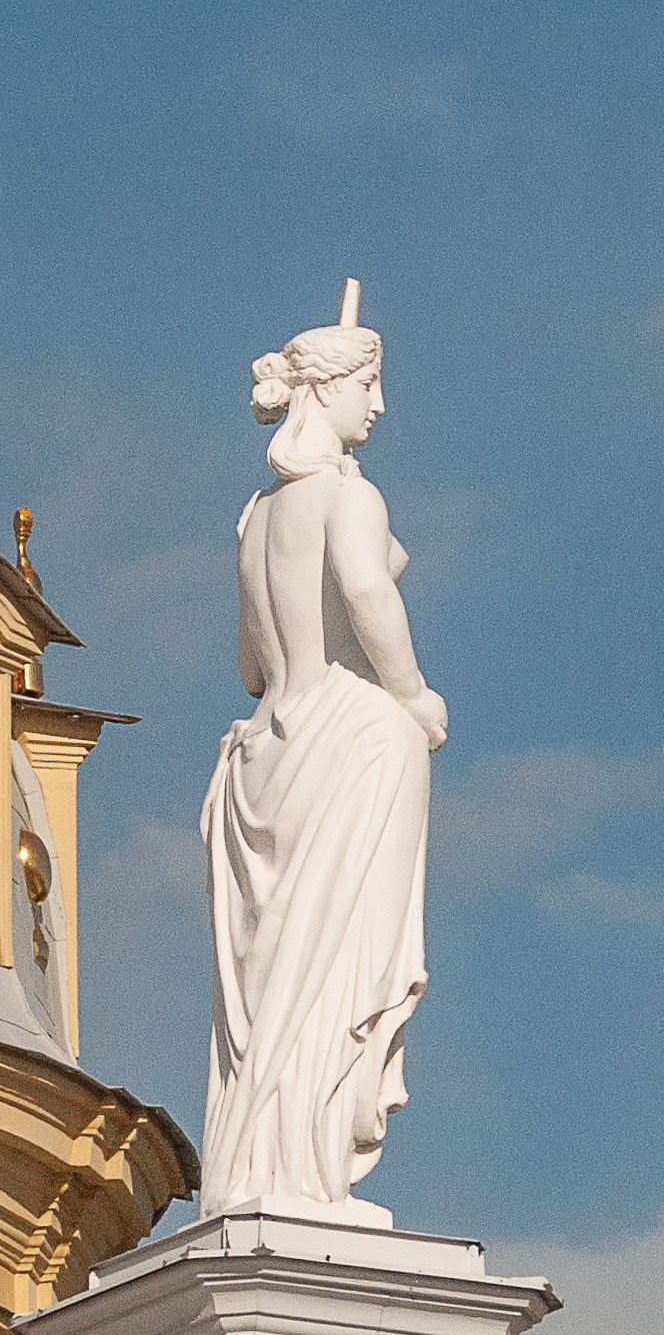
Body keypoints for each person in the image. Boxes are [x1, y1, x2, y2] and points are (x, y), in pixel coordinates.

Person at [199, 292, 445, 1221]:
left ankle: (264, 1167)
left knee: (276, 988)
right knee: (337, 964)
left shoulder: (255, 518)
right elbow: (366, 594)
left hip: (266, 754)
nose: (378, 407)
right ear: (330, 389)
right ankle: (304, 1171)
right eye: (370, 385)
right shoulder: (348, 494)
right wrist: (413, 695)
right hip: (347, 739)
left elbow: (250, 663)